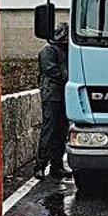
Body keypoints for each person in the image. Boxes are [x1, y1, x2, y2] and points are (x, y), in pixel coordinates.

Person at [35, 22, 71, 179]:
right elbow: (51, 71)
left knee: (62, 130)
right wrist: (68, 76)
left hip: (63, 95)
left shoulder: (66, 50)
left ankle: (57, 166)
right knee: (49, 130)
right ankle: (40, 165)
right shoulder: (48, 50)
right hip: (51, 95)